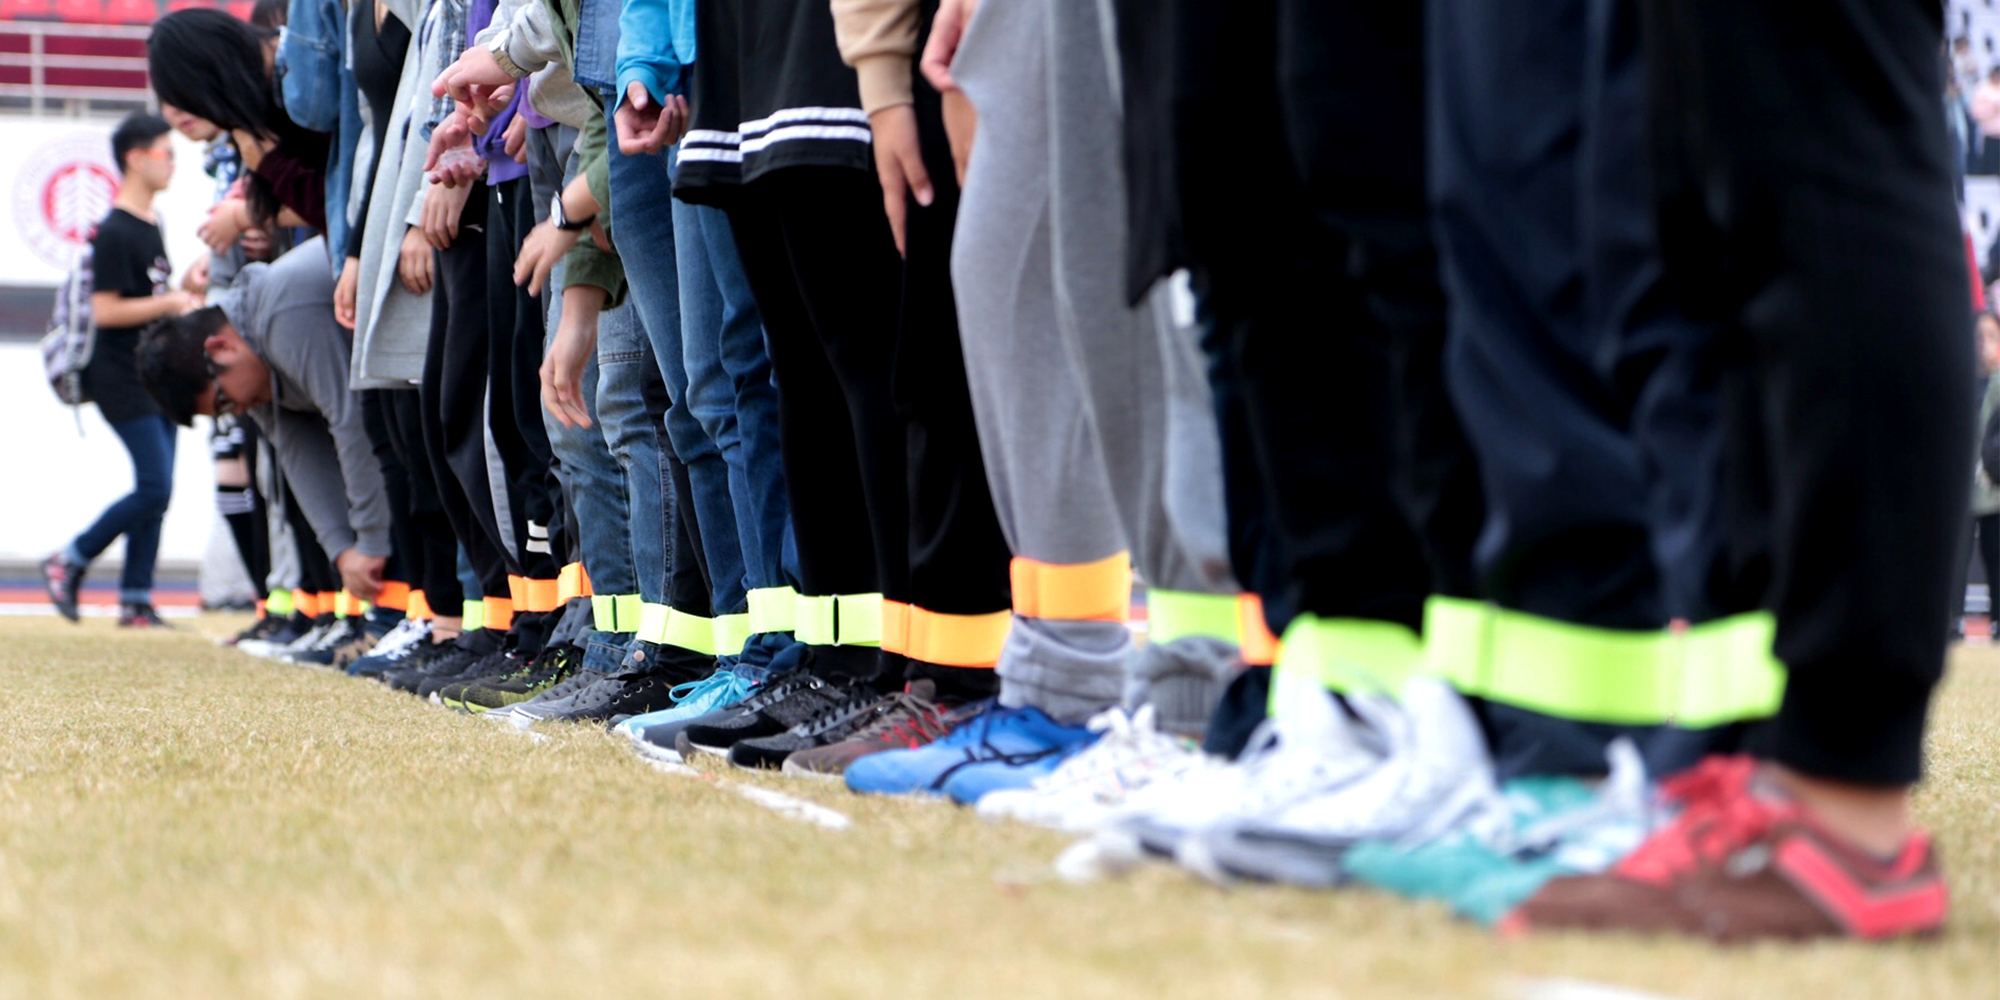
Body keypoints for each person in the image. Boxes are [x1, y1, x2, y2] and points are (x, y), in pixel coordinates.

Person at [135, 239, 392, 611]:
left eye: (224, 401)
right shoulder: (254, 360)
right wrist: (342, 551)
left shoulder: (279, 314)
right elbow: (300, 456)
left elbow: (351, 421)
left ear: (220, 348)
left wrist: (369, 543)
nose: (239, 409)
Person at [41, 113, 202, 629]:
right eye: (165, 153)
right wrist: (170, 303)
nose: (172, 163)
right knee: (154, 486)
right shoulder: (114, 231)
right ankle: (71, 558)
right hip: (118, 374)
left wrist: (183, 291)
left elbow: (150, 296)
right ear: (135, 158)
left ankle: (135, 598)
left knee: (159, 490)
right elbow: (107, 310)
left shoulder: (152, 223)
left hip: (155, 372)